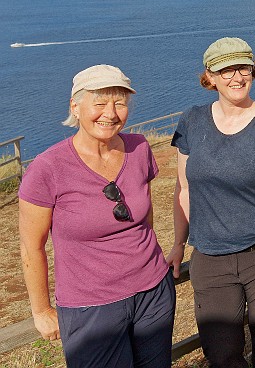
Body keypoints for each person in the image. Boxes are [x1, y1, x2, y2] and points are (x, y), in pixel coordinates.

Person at [19, 64, 175, 368]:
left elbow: (146, 215)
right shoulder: (47, 167)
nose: (111, 112)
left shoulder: (139, 148)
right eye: (100, 102)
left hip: (153, 293)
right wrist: (41, 310)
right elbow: (30, 247)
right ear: (75, 107)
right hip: (90, 307)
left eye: (120, 102)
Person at [166, 37, 255, 368]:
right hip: (210, 258)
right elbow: (184, 188)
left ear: (253, 72)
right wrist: (177, 244)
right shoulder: (192, 121)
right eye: (226, 70)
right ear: (210, 76)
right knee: (221, 351)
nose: (236, 77)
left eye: (243, 67)